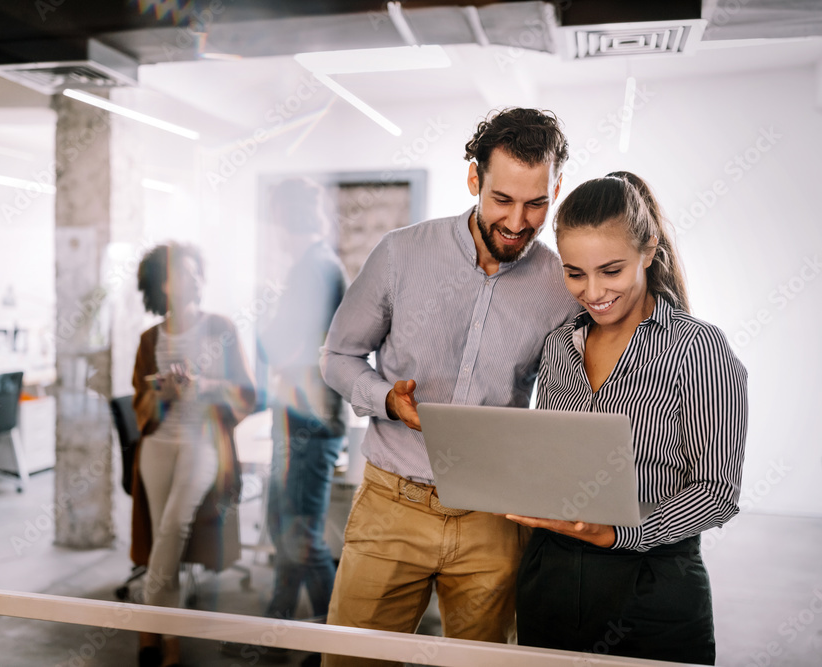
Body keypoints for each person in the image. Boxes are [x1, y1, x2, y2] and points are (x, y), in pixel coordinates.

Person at [318, 108, 581, 666]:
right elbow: (338, 356)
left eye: (537, 203)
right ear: (473, 180)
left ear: (555, 189)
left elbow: (562, 406)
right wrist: (386, 399)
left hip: (492, 517)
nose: (518, 221)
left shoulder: (560, 288)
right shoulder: (401, 253)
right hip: (392, 503)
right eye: (502, 199)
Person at [508, 172, 748, 664]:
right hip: (550, 580)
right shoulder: (559, 347)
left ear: (649, 249)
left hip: (652, 588)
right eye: (575, 273)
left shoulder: (697, 348)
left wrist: (622, 532)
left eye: (610, 271)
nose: (592, 292)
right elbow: (545, 458)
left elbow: (717, 492)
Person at [130, 242, 256, 667]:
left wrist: (200, 386)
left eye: (196, 271)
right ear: (161, 285)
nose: (195, 279)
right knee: (160, 539)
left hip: (203, 440)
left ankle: (152, 634)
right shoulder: (150, 339)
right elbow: (141, 406)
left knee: (170, 530)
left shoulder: (220, 327)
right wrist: (161, 393)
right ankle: (169, 645)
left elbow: (246, 393)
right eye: (183, 273)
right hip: (158, 444)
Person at [259, 178, 348, 623]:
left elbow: (279, 343)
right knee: (285, 527)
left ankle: (333, 640)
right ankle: (278, 625)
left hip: (310, 421)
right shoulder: (317, 264)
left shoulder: (311, 268)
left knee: (302, 534)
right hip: (303, 416)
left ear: (281, 217)